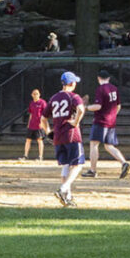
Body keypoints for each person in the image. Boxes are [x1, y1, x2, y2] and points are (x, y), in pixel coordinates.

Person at [83, 68, 130, 178]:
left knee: (94, 144)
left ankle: (93, 170)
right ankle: (124, 163)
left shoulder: (100, 89)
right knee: (109, 145)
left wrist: (85, 108)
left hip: (101, 120)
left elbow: (98, 106)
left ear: (98, 78)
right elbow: (118, 106)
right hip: (111, 121)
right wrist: (112, 116)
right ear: (109, 78)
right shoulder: (114, 88)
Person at [47, 71, 87, 206]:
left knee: (65, 165)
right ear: (71, 83)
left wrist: (48, 132)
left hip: (58, 136)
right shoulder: (74, 97)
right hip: (71, 135)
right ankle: (63, 189)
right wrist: (75, 122)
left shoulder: (53, 98)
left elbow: (42, 119)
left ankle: (67, 197)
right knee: (78, 165)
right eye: (74, 82)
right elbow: (81, 110)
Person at [23, 89, 49, 161]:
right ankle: (25, 155)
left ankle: (40, 156)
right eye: (34, 94)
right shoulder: (31, 103)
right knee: (28, 140)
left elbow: (45, 114)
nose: (35, 95)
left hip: (39, 125)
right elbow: (31, 114)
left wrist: (43, 123)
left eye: (37, 94)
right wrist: (29, 123)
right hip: (32, 125)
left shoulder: (42, 103)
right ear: (32, 95)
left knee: (39, 140)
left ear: (39, 94)